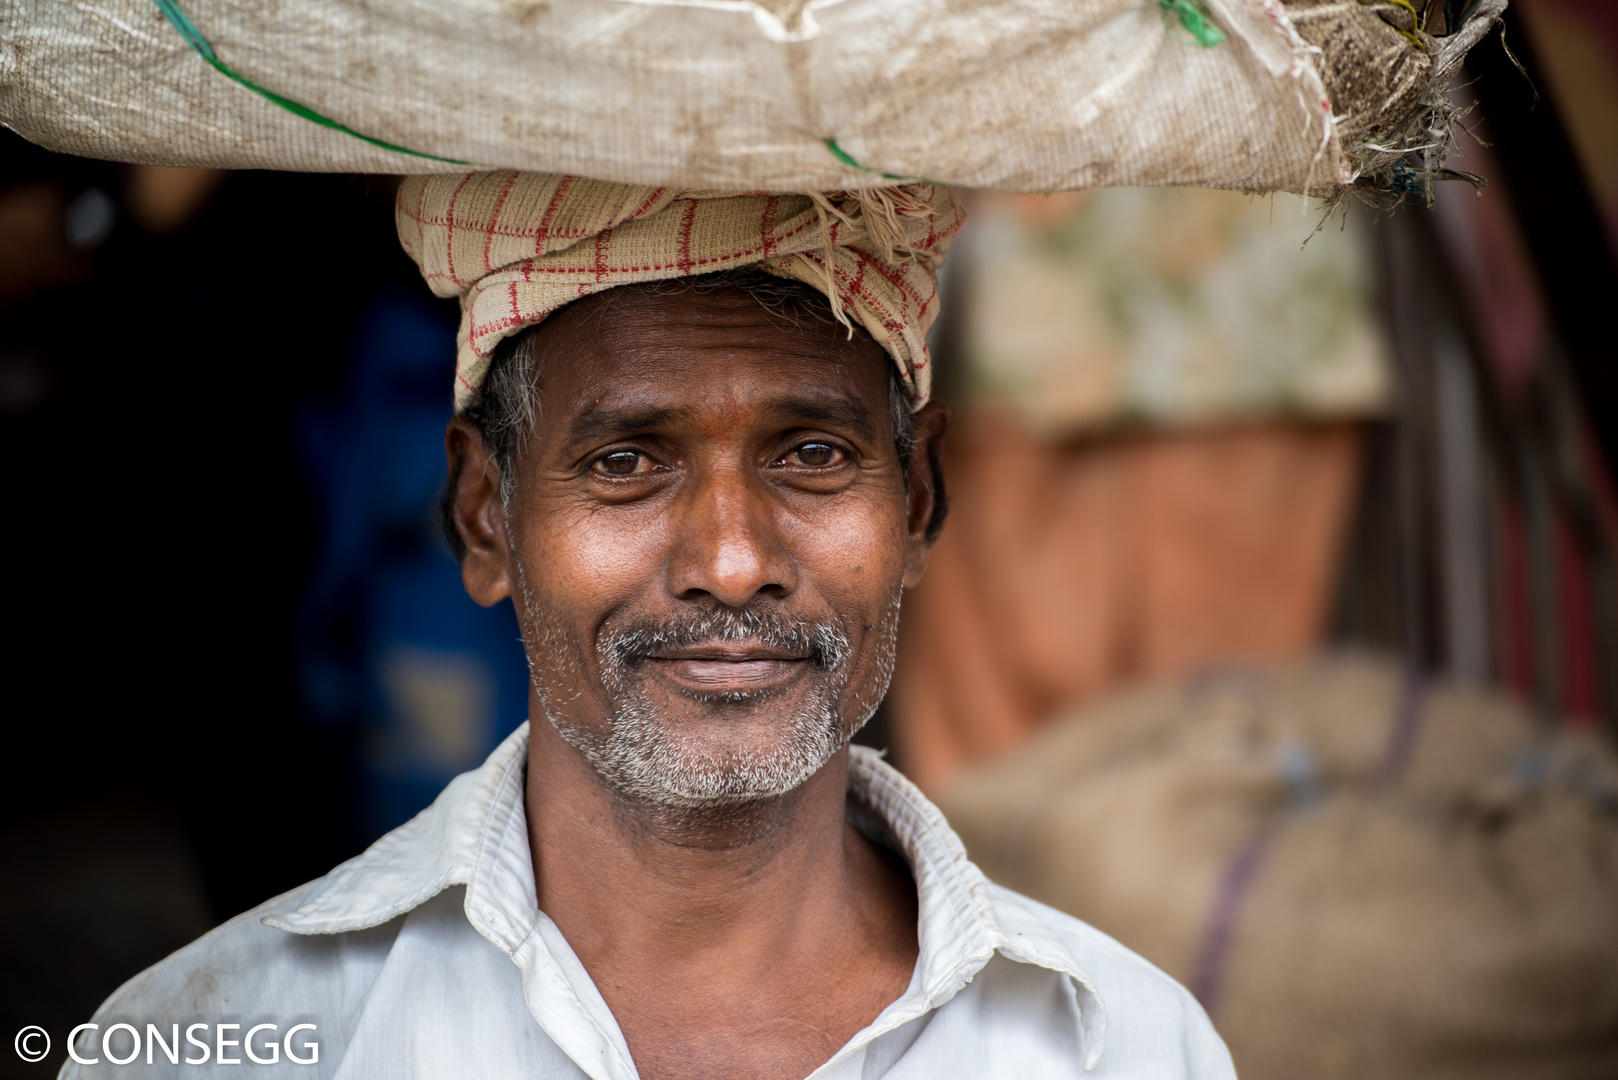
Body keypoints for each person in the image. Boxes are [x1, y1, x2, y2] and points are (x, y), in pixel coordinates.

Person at [63, 173, 1234, 1079]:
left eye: (812, 456)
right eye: (626, 463)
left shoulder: (1119, 1044)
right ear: (486, 522)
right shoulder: (220, 1035)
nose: (731, 562)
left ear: (918, 501)